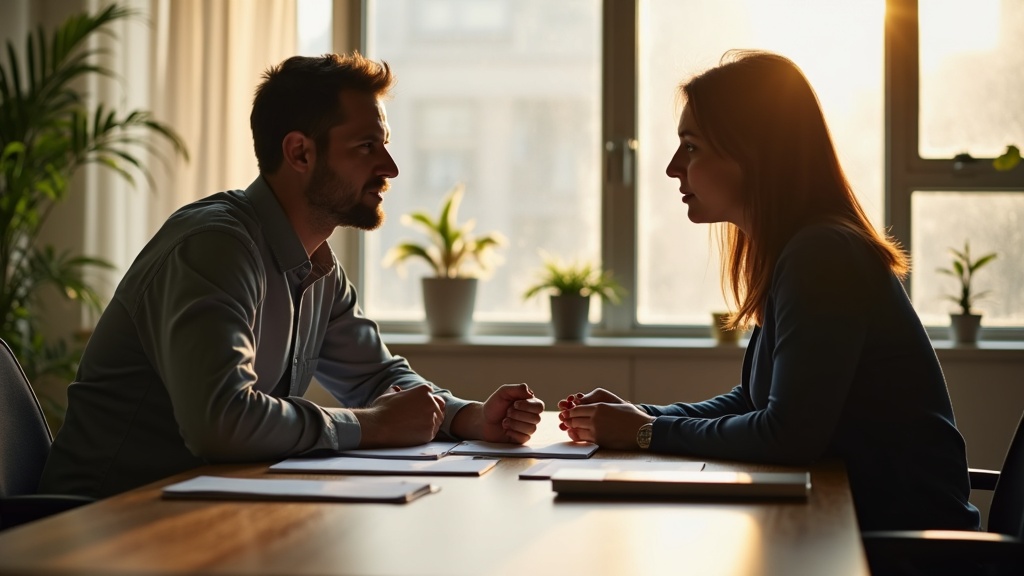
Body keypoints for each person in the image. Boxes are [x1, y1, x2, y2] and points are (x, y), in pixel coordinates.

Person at [39, 52, 544, 499]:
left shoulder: (318, 265)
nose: (390, 167)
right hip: (99, 523)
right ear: (300, 152)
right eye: (367, 147)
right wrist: (370, 427)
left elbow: (377, 377)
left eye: (385, 144)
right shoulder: (214, 247)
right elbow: (223, 423)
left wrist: (468, 417)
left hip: (202, 508)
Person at [559, 50, 980, 533]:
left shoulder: (823, 255)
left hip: (899, 548)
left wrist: (644, 432)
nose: (674, 168)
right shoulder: (800, 249)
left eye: (691, 147)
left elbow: (786, 435)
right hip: (849, 527)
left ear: (752, 154)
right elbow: (753, 401)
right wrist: (639, 416)